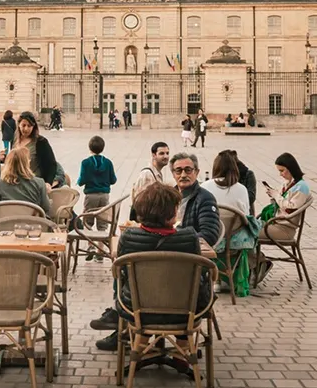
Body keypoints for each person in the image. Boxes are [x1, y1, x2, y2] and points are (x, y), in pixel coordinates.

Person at [92, 174, 214, 353]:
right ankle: (183, 353)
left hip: (137, 310)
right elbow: (200, 273)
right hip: (186, 311)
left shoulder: (128, 237)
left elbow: (122, 274)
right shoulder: (189, 238)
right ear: (172, 213)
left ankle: (139, 348)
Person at [256, 152, 312, 280]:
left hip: (284, 228)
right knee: (248, 227)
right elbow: (281, 204)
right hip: (275, 223)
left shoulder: (301, 187)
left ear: (290, 168)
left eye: (282, 171)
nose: (281, 174)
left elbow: (289, 209)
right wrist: (274, 196)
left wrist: (277, 196)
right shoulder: (287, 184)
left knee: (248, 231)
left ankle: (259, 262)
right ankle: (257, 262)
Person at [0, 147, 52, 216]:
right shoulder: (39, 183)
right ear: (27, 163)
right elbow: (46, 207)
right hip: (32, 223)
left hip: (6, 223)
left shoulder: (0, 183)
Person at [77, 136, 116, 231]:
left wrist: (78, 181)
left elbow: (82, 180)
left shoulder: (86, 163)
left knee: (88, 221)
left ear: (90, 148)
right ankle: (101, 244)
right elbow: (113, 180)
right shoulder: (108, 162)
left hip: (91, 196)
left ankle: (90, 243)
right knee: (102, 222)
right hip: (104, 195)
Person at [13, 111, 58, 186]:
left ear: (33, 127)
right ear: (18, 125)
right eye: (23, 125)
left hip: (33, 183)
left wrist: (48, 183)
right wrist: (3, 158)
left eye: (29, 126)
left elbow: (52, 164)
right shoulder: (14, 140)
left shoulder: (41, 142)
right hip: (16, 183)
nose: (26, 129)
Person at [129, 142, 170, 221]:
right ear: (154, 155)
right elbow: (141, 201)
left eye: (167, 153)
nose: (166, 156)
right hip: (147, 220)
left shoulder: (156, 172)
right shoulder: (147, 174)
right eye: (161, 153)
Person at [202, 150, 250, 215]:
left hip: (212, 224)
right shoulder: (242, 189)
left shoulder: (204, 187)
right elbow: (246, 215)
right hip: (236, 225)